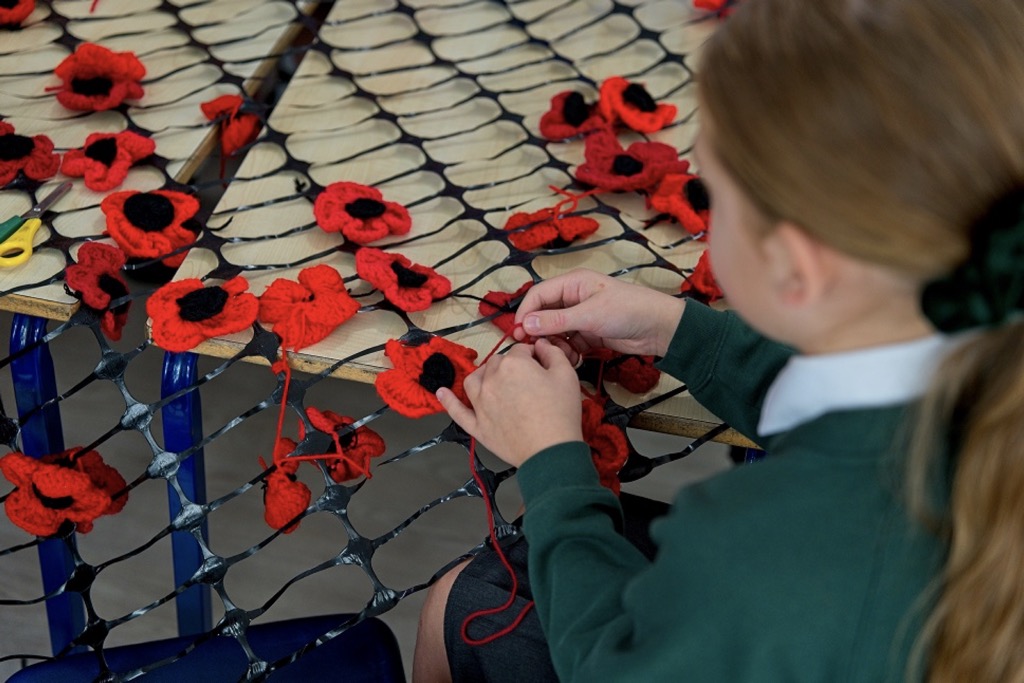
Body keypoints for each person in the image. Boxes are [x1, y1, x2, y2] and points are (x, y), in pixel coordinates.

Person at [413, 0, 1024, 680]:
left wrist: (551, 462)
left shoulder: (744, 545)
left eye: (715, 194)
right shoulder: (992, 349)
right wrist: (681, 332)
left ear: (794, 264)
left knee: (461, 602)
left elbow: (613, 667)